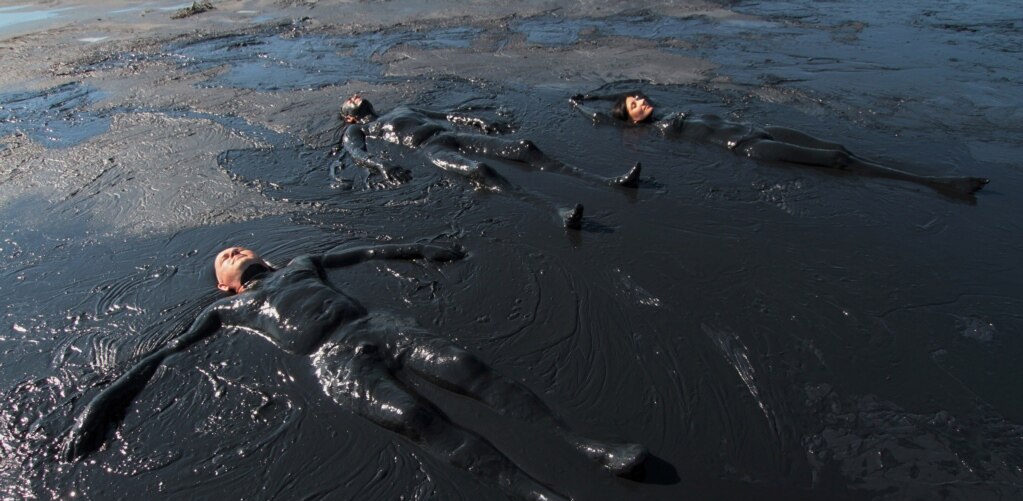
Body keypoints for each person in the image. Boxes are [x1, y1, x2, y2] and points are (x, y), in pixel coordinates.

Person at [62, 242, 649, 501]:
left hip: (378, 326)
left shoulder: (301, 265)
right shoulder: (226, 313)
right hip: (334, 364)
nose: (236, 250)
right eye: (226, 256)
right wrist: (104, 403)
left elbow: (364, 250)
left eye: (239, 245)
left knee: (474, 373)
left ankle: (589, 445)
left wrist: (423, 248)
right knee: (421, 421)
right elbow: (166, 355)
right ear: (223, 283)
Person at [570, 90, 989, 198]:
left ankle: (936, 181)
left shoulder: (665, 115)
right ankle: (939, 184)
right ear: (628, 119)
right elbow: (601, 121)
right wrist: (581, 104)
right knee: (837, 160)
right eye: (633, 104)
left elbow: (617, 99)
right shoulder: (649, 131)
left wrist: (602, 94)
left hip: (760, 131)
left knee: (838, 145)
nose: (641, 101)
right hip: (748, 147)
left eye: (640, 97)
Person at [334, 94, 642, 228]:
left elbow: (444, 115)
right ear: (348, 115)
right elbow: (357, 154)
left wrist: (475, 121)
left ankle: (608, 182)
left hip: (448, 135)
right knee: (479, 170)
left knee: (524, 147)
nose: (358, 95)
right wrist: (381, 166)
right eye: (352, 98)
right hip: (430, 148)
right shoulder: (358, 128)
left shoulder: (401, 107)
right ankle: (556, 210)